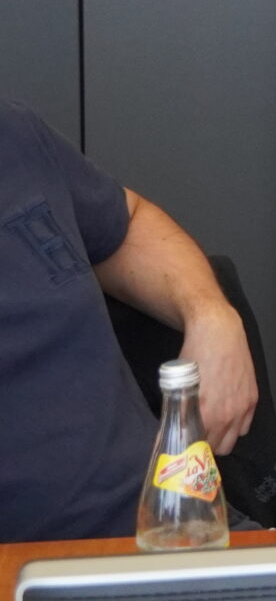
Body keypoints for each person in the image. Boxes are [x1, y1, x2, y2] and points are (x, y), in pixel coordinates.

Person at [1, 98, 258, 541]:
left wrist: (211, 314)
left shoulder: (14, 136)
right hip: (33, 571)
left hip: (177, 530)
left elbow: (127, 224)